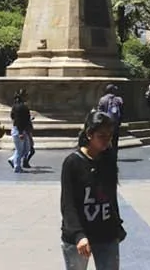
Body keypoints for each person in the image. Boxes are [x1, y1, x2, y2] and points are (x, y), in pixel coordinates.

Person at [60, 110, 126, 270]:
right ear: (89, 134)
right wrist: (78, 235)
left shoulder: (108, 159)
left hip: (106, 233)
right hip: (78, 236)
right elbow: (68, 204)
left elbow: (111, 196)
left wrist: (117, 224)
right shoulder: (72, 163)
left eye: (109, 135)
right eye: (101, 136)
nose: (107, 140)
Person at [9, 91, 33, 173]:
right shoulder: (23, 108)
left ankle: (13, 159)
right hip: (19, 130)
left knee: (26, 149)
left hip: (20, 130)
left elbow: (12, 117)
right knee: (20, 150)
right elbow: (19, 121)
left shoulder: (15, 106)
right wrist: (20, 132)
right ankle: (17, 167)